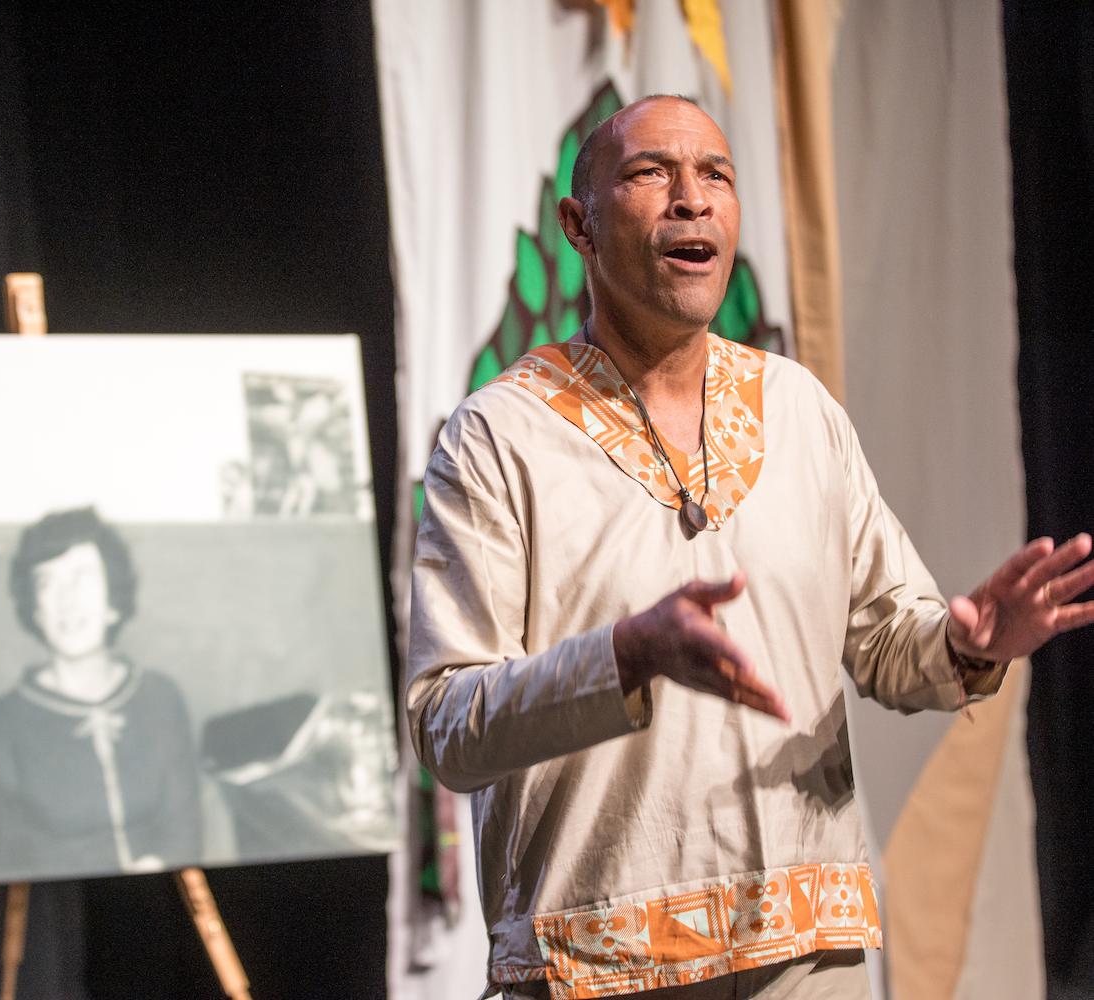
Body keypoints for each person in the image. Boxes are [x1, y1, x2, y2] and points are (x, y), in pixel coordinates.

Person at [407, 95, 1094, 999]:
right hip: (598, 961)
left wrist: (968, 642)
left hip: (810, 951)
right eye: (651, 173)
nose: (691, 199)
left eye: (716, 177)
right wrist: (621, 656)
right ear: (578, 224)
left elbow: (890, 642)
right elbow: (445, 722)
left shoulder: (797, 408)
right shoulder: (499, 436)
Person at [0, 507, 202, 879]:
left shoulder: (161, 699)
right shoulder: (4, 725)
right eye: (48, 583)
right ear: (36, 610)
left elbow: (183, 828)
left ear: (113, 603)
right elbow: (8, 858)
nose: (67, 600)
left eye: (82, 578)